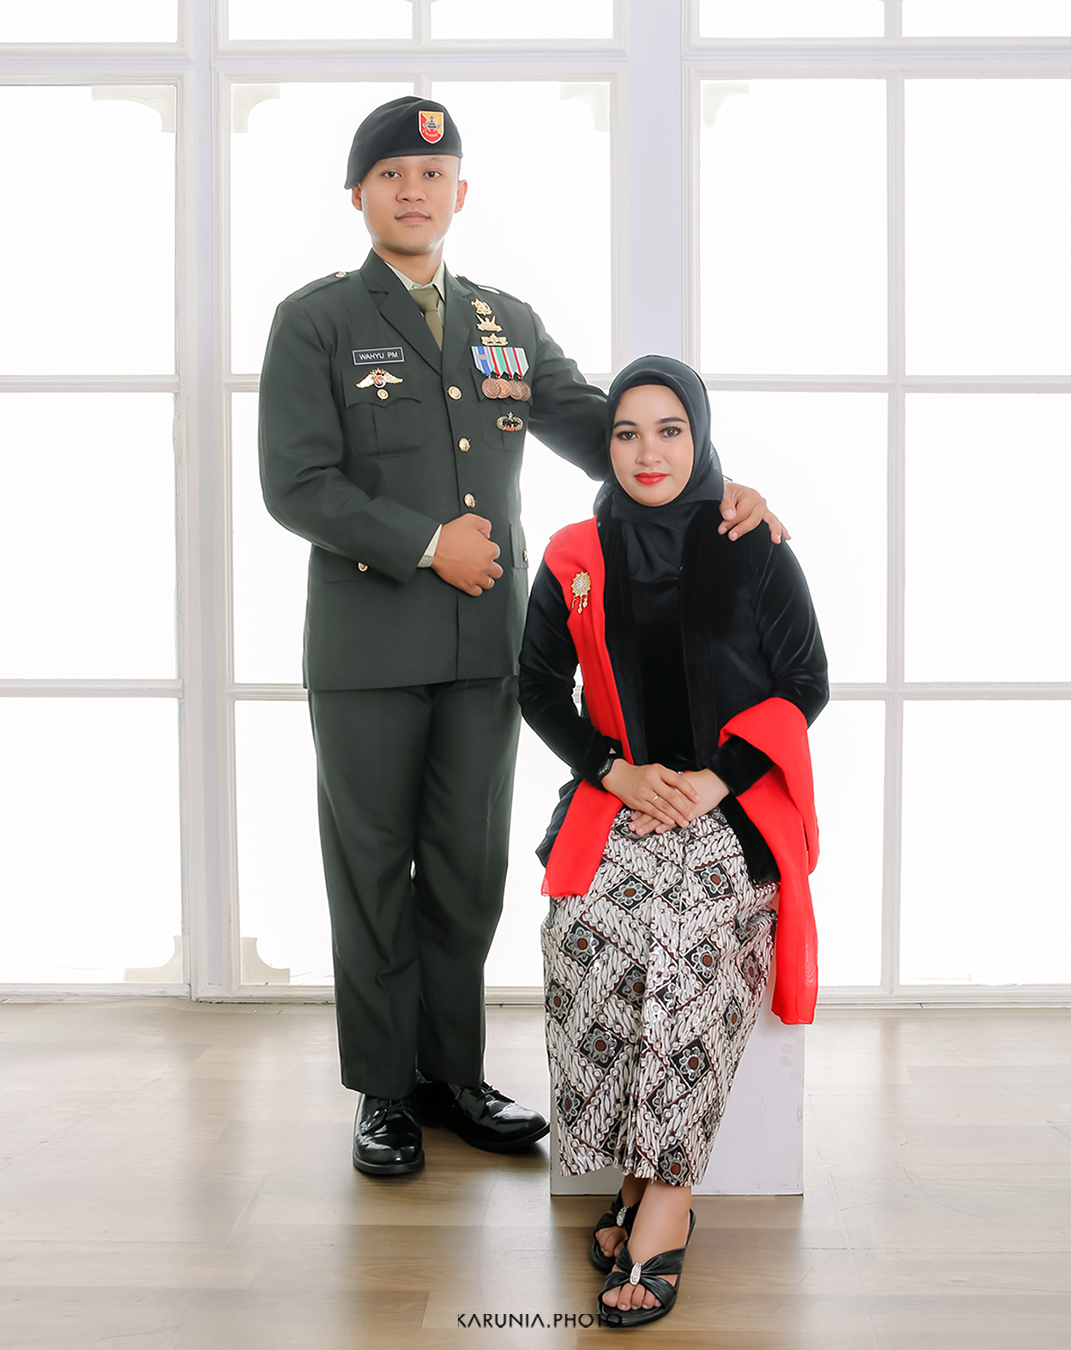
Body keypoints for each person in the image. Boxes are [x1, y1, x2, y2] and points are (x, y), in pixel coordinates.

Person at [258, 97, 786, 1179]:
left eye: (433, 174)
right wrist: (424, 542)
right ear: (357, 195)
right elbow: (295, 483)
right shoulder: (314, 321)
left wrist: (727, 490)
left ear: (462, 193)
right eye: (392, 173)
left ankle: (451, 1075)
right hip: (366, 648)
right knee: (369, 868)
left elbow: (612, 431)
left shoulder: (503, 322)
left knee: (465, 870)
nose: (415, 189)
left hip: (485, 650)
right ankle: (383, 1091)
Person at [518, 355, 828, 1327]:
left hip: (728, 801)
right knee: (588, 922)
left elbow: (805, 681)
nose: (648, 452)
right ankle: (635, 1174)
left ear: (699, 436)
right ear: (604, 448)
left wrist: (711, 780)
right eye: (625, 433)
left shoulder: (750, 539)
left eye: (669, 430)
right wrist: (613, 772)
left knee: (691, 930)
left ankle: (668, 1199)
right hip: (621, 793)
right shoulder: (575, 549)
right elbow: (535, 688)